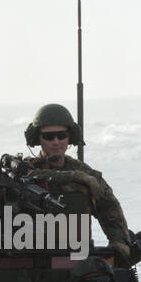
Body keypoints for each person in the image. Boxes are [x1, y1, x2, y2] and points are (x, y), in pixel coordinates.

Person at [24, 103, 131, 262]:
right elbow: (29, 179)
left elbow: (109, 207)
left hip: (76, 259)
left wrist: (119, 242)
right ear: (37, 138)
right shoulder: (25, 171)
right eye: (48, 137)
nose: (56, 142)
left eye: (62, 136)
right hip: (32, 259)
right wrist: (71, 177)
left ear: (71, 137)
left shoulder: (86, 174)